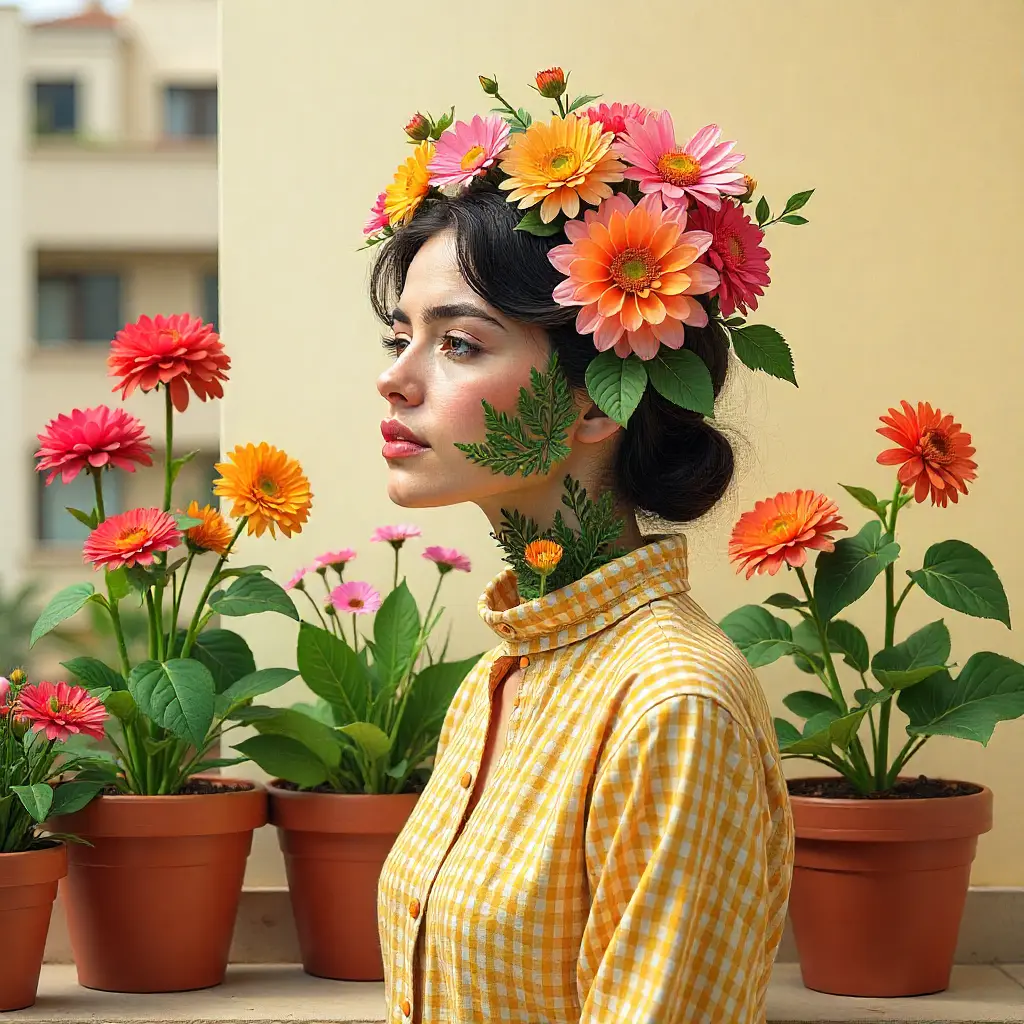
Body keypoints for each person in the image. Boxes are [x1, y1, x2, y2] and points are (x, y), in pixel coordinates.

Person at [372, 70, 798, 1023]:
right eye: (401, 336)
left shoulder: (673, 708)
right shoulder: (505, 674)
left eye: (460, 344)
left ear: (595, 401)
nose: (393, 381)